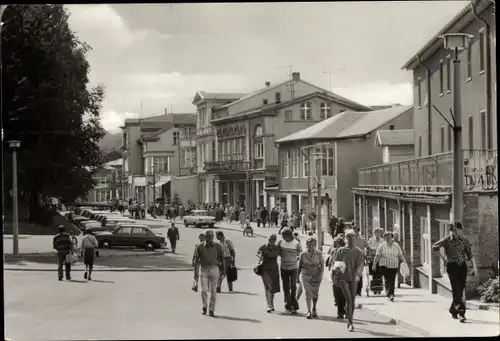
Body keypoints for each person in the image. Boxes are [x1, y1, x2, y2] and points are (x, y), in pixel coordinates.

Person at [432, 220, 477, 323]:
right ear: (450, 230)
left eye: (457, 230)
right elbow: (434, 246)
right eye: (453, 230)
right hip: (452, 267)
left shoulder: (464, 240)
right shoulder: (447, 240)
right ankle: (461, 313)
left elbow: (470, 255)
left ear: (460, 230)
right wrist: (444, 260)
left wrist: (474, 267)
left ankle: (453, 310)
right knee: (456, 290)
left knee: (460, 290)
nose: (455, 232)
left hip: (462, 267)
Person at [333, 229, 364, 332]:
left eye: (352, 236)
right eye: (348, 237)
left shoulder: (359, 251)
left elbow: (360, 265)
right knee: (349, 300)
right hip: (343, 278)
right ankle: (351, 323)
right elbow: (336, 264)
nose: (350, 238)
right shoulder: (341, 250)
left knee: (353, 301)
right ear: (345, 238)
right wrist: (336, 274)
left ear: (354, 238)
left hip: (354, 278)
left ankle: (349, 319)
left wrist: (358, 274)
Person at [192, 230, 225, 317]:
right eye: (208, 236)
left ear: (213, 237)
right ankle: (204, 306)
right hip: (204, 270)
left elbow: (222, 258)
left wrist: (223, 270)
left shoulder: (218, 246)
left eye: (211, 236)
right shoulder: (200, 246)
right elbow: (196, 260)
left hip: (214, 269)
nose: (209, 238)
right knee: (204, 290)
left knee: (213, 291)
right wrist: (195, 273)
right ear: (205, 237)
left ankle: (211, 309)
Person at [372, 231, 406, 302]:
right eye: (386, 237)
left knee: (392, 280)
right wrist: (374, 264)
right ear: (384, 238)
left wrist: (404, 262)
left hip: (394, 265)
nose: (387, 238)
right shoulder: (381, 246)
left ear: (392, 237)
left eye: (389, 237)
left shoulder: (396, 245)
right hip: (384, 265)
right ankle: (390, 294)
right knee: (387, 279)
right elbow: (377, 255)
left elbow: (400, 255)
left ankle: (390, 294)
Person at [297, 236, 324, 319]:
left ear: (315, 245)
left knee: (315, 294)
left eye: (312, 244)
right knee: (308, 293)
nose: (310, 246)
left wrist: (320, 275)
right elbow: (299, 266)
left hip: (316, 276)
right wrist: (297, 277)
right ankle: (309, 311)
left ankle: (314, 308)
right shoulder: (303, 254)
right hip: (305, 275)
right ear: (306, 244)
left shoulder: (319, 253)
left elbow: (322, 265)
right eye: (309, 244)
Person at [278, 227, 302, 314]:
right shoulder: (281, 242)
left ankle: (293, 304)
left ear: (288, 235)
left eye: (283, 235)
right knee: (286, 287)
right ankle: (288, 305)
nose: (282, 237)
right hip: (284, 267)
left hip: (293, 268)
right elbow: (278, 251)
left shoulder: (296, 243)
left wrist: (297, 257)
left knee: (293, 287)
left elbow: (300, 253)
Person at [257, 234, 281, 312]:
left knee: (272, 287)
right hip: (265, 268)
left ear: (275, 240)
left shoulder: (277, 248)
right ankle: (269, 305)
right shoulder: (264, 247)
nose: (271, 241)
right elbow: (257, 252)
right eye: (270, 240)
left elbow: (283, 254)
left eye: (272, 240)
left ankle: (271, 303)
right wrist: (260, 255)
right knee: (268, 286)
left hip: (274, 268)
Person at [329, 236, 347, 319]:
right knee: (337, 293)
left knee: (343, 293)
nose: (337, 245)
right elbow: (331, 262)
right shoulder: (333, 251)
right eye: (336, 244)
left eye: (339, 244)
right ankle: (340, 312)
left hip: (343, 273)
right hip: (335, 273)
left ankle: (345, 310)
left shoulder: (345, 251)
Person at [367, 227, 385, 294]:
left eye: (379, 232)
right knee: (374, 274)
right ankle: (374, 288)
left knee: (380, 274)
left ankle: (379, 288)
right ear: (374, 233)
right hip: (373, 258)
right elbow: (369, 249)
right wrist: (369, 255)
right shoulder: (371, 240)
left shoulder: (383, 240)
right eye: (376, 232)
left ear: (380, 233)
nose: (377, 234)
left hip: (380, 259)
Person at [353, 226, 369, 296]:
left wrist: (367, 255)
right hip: (352, 259)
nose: (354, 232)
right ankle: (354, 290)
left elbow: (368, 247)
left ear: (358, 231)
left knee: (359, 274)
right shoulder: (351, 239)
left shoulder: (362, 239)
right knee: (353, 274)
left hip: (360, 259)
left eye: (356, 231)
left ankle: (359, 290)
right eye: (353, 231)